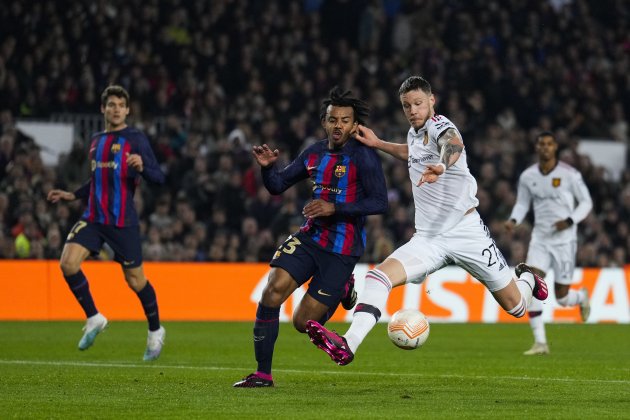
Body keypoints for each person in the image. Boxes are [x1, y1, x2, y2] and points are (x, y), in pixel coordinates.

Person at [305, 75, 549, 366]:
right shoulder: (414, 133)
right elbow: (412, 153)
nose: (413, 110)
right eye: (407, 105)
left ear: (432, 101)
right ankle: (349, 343)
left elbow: (453, 146)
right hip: (428, 239)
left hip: (466, 232)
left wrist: (442, 165)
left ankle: (527, 279)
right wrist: (379, 143)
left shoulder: (441, 126)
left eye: (418, 103)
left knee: (517, 307)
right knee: (377, 277)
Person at [233, 87, 388, 387]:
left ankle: (344, 287)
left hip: (342, 248)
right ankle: (263, 374)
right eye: (333, 119)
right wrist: (268, 170)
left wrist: (334, 207)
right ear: (324, 122)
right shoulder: (314, 153)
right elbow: (278, 185)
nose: (339, 125)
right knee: (271, 292)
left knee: (302, 323)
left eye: (345, 120)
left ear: (355, 125)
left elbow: (380, 202)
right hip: (311, 237)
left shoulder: (364, 156)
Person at [47, 85, 166, 361]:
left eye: (120, 105)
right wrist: (72, 195)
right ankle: (94, 317)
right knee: (67, 262)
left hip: (122, 221)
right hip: (93, 217)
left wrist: (142, 168)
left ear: (127, 110)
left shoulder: (135, 139)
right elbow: (97, 179)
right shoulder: (95, 140)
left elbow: (159, 177)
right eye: (110, 104)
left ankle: (155, 330)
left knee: (135, 280)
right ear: (103, 109)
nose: (115, 109)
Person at [505, 131, 593, 355]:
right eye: (541, 144)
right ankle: (540, 342)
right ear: (537, 148)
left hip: (565, 241)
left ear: (555, 148)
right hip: (541, 239)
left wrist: (570, 220)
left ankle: (581, 297)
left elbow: (586, 202)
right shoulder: (528, 176)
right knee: (533, 283)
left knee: (562, 298)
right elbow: (522, 203)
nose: (545, 147)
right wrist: (514, 220)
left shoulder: (570, 174)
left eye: (549, 144)